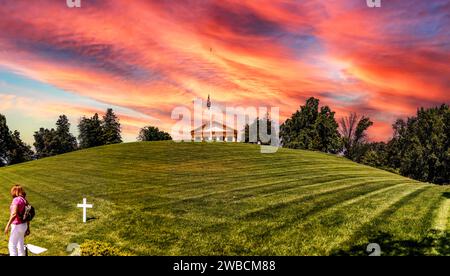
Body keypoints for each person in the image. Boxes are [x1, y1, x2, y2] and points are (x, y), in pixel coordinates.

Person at [4, 185, 30, 256]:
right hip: (23, 225)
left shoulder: (16, 200)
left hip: (17, 225)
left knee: (12, 245)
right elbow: (27, 216)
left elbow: (14, 214)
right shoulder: (24, 200)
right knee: (20, 244)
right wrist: (28, 227)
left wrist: (7, 226)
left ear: (15, 191)